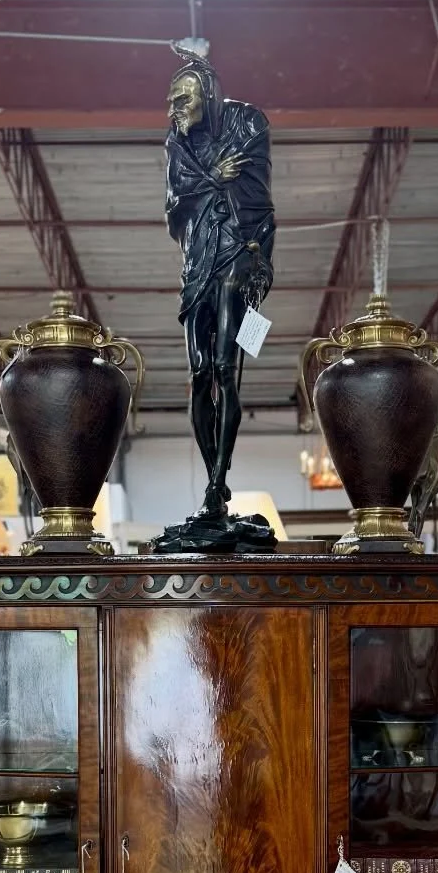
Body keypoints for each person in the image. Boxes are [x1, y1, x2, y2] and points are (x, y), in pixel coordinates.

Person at [158, 51, 276, 550]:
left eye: (182, 99)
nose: (174, 109)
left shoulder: (247, 123)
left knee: (227, 368)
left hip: (235, 256)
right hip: (197, 263)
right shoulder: (177, 146)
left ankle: (216, 484)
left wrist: (260, 261)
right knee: (199, 373)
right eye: (171, 101)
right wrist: (211, 179)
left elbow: (260, 199)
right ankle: (214, 483)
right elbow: (174, 209)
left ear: (207, 95)